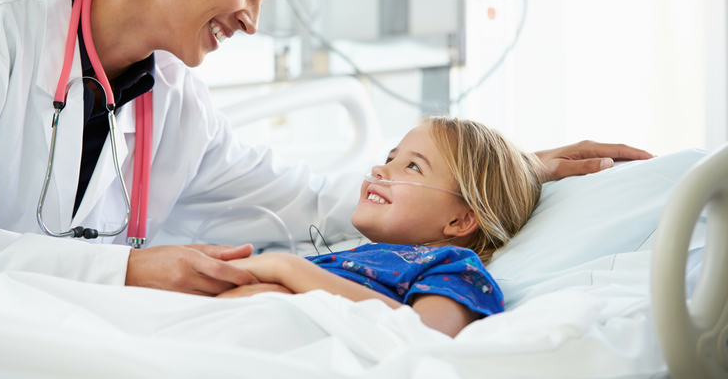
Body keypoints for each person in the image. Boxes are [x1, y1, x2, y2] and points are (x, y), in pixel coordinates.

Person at [0, 0, 652, 299]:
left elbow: (301, 202)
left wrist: (496, 175)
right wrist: (130, 272)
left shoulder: (174, 105)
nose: (252, 18)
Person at [218, 118, 554, 337]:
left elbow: (425, 336)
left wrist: (285, 269)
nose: (380, 168)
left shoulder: (451, 268)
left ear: (461, 219)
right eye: (390, 157)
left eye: (412, 166)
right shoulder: (358, 259)